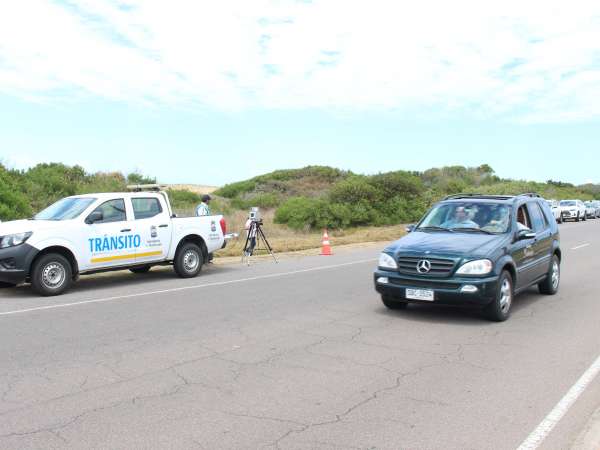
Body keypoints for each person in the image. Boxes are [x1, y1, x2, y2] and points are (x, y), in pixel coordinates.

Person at [196, 195, 214, 263]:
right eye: (209, 200)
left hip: (203, 228)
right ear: (206, 200)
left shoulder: (203, 206)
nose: (210, 201)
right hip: (203, 228)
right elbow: (202, 219)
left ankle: (207, 260)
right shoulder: (202, 208)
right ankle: (205, 260)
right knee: (204, 244)